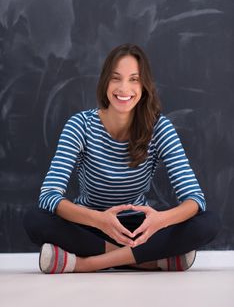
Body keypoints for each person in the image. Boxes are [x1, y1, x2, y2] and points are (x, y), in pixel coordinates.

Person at [24, 43, 220, 274]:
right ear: (105, 81)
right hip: (89, 224)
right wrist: (99, 220)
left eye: (134, 79)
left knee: (208, 222)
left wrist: (161, 220)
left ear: (144, 86)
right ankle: (151, 260)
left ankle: (86, 264)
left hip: (140, 228)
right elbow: (49, 196)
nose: (124, 88)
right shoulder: (80, 125)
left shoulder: (160, 128)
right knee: (35, 219)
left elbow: (195, 199)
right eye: (116, 78)